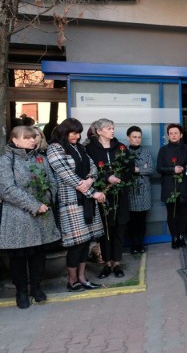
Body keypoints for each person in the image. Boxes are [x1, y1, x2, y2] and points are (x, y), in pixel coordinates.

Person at [0, 126, 60, 308]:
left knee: (38, 256)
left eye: (33, 137)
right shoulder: (5, 160)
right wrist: (34, 205)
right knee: (18, 258)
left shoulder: (40, 158)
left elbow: (52, 182)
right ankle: (21, 292)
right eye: (26, 138)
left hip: (42, 215)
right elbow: (7, 189)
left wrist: (47, 198)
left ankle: (36, 288)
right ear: (15, 140)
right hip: (18, 216)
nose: (32, 140)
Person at [47, 118, 105, 293]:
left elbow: (93, 167)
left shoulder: (79, 148)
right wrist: (90, 190)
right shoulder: (55, 148)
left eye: (79, 133)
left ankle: (82, 278)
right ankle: (72, 281)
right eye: (74, 133)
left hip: (86, 201)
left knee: (85, 243)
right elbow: (66, 174)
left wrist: (90, 180)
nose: (78, 136)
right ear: (64, 132)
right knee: (75, 245)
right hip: (71, 202)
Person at [86, 118, 134, 279]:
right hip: (102, 195)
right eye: (108, 128)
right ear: (99, 131)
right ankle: (107, 263)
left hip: (120, 195)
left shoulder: (120, 147)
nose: (112, 131)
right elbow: (89, 170)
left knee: (119, 229)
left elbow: (129, 167)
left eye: (113, 128)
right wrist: (107, 178)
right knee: (106, 230)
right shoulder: (90, 149)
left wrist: (120, 179)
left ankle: (117, 262)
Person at [157, 123, 187, 249]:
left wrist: (183, 168)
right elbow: (159, 168)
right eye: (171, 133)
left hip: (183, 185)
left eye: (176, 133)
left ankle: (181, 236)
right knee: (171, 214)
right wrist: (173, 169)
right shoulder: (163, 150)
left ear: (181, 134)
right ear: (168, 135)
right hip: (169, 186)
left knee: (183, 213)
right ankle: (174, 237)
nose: (173, 135)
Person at [126, 126, 154, 254]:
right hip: (130, 190)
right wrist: (143, 168)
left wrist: (137, 169)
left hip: (144, 190)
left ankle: (140, 244)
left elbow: (151, 169)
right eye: (134, 137)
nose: (137, 140)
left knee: (142, 220)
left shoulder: (147, 152)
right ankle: (133, 245)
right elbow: (125, 171)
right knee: (131, 220)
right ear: (128, 138)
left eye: (139, 137)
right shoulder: (124, 152)